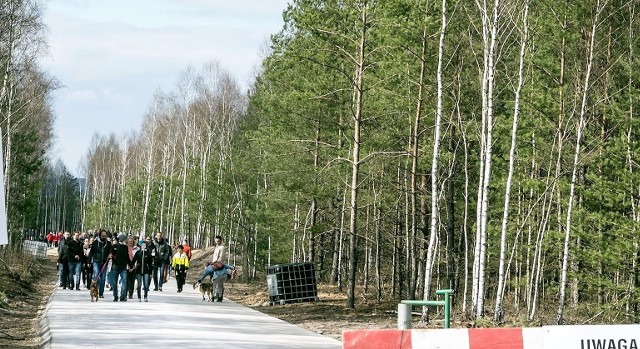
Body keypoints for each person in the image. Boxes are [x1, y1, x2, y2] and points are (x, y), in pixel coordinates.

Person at [108, 233, 133, 302]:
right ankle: (115, 296)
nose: (126, 240)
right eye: (125, 239)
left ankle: (122, 296)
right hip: (115, 267)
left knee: (124, 282)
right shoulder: (115, 246)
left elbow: (127, 257)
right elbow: (110, 254)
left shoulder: (125, 247)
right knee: (114, 283)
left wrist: (131, 265)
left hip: (123, 268)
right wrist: (110, 256)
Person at [88, 229, 112, 298]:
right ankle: (95, 291)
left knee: (103, 278)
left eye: (105, 236)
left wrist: (111, 255)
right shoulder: (95, 243)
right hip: (96, 262)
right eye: (102, 236)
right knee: (96, 276)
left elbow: (112, 251)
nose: (104, 237)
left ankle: (101, 293)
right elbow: (91, 252)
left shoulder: (108, 243)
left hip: (104, 262)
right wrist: (89, 261)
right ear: (100, 235)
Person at [133, 236, 154, 302]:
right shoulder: (138, 253)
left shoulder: (148, 253)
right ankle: (139, 297)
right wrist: (131, 266)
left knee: (146, 285)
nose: (143, 246)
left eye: (145, 245)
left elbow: (150, 264)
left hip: (146, 271)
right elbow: (133, 261)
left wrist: (150, 272)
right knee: (139, 285)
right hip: (139, 270)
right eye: (142, 245)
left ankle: (145, 296)